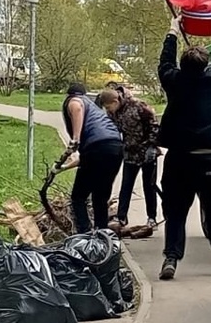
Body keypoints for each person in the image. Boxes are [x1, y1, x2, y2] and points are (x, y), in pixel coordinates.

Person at [156, 12, 211, 279]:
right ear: (206, 64)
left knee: (176, 211)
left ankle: (171, 258)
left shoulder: (174, 81)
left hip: (179, 159)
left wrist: (172, 31)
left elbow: (164, 62)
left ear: (182, 65)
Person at [62, 82, 124, 234]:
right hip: (115, 148)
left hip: (96, 149)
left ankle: (85, 235)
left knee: (78, 197)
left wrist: (75, 139)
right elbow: (87, 159)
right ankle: (102, 236)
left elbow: (76, 107)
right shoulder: (94, 109)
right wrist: (62, 167)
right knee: (100, 197)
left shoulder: (74, 100)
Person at [97, 87, 160, 230]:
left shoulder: (138, 106)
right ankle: (121, 218)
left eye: (109, 106)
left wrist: (151, 146)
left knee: (149, 186)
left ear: (116, 100)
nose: (109, 110)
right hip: (130, 153)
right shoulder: (113, 112)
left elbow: (154, 125)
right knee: (126, 185)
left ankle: (152, 218)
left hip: (146, 151)